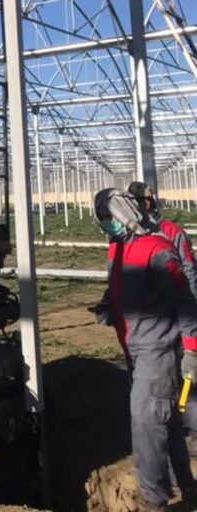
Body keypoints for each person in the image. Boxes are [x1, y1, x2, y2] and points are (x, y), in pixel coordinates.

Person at [94, 188, 197, 510]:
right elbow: (122, 289)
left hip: (158, 351)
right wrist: (110, 309)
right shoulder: (118, 247)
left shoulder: (158, 249)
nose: (107, 223)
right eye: (102, 218)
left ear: (124, 212)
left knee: (146, 429)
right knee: (166, 425)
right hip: (135, 350)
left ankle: (154, 501)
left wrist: (191, 349)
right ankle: (187, 488)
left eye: (109, 216)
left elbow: (185, 302)